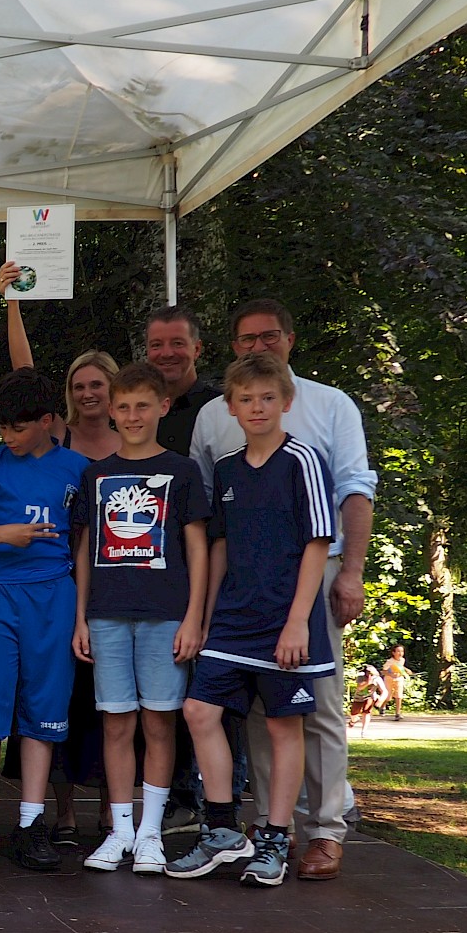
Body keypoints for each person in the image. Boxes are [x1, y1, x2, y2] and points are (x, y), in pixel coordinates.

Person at [190, 299, 375, 881]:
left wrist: (348, 577)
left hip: (303, 588)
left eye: (269, 335)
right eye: (246, 339)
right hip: (237, 598)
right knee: (246, 715)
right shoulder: (220, 435)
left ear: (289, 341)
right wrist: (204, 612)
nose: (258, 346)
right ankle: (270, 828)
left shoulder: (324, 415)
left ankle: (324, 829)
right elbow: (213, 526)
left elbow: (346, 501)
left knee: (313, 711)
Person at [170, 352, 337, 887]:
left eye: (268, 397)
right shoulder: (225, 469)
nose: (258, 407)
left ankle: (274, 841)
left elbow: (318, 544)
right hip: (231, 619)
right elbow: (218, 547)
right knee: (199, 710)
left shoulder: (303, 461)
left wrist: (297, 622)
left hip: (285, 621)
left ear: (286, 402)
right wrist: (202, 618)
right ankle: (222, 830)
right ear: (231, 407)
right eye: (246, 399)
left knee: (283, 727)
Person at [0, 368, 87, 871]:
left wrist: (81, 611)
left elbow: (85, 545)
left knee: (44, 710)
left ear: (47, 421)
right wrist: (3, 534)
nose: (8, 436)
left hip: (54, 597)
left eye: (18, 428)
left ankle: (31, 822)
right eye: (2, 427)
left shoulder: (79, 469)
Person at [69, 363, 210, 873]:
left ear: (162, 407)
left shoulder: (182, 471)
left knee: (159, 723)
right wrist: (81, 617)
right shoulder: (96, 474)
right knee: (115, 724)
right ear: (111, 410)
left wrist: (193, 618)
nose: (132, 416)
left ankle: (151, 834)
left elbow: (198, 549)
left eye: (142, 406)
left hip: (165, 615)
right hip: (106, 615)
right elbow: (85, 551)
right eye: (124, 406)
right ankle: (120, 831)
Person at [0, 262, 122, 461]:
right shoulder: (58, 433)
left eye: (96, 385)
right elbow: (25, 377)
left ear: (115, 388)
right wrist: (13, 303)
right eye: (78, 387)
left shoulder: (132, 441)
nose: (87, 394)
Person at [142, 306, 219, 454]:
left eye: (177, 343)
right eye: (156, 345)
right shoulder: (135, 412)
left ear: (197, 349)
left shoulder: (221, 408)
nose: (167, 353)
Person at [382, 645, 412, 721]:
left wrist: (407, 670)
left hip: (399, 679)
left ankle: (397, 713)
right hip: (389, 680)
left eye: (402, 651)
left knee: (399, 696)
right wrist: (391, 674)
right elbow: (383, 671)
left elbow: (400, 667)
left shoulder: (402, 660)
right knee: (388, 696)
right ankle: (382, 706)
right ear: (393, 653)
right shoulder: (389, 661)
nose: (400, 653)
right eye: (398, 651)